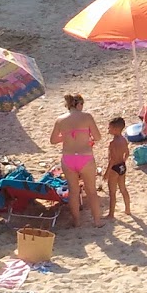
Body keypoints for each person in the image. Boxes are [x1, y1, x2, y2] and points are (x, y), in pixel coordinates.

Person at [50, 93, 101, 228]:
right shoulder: (87, 117)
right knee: (91, 191)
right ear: (78, 104)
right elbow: (98, 137)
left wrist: (66, 136)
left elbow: (53, 140)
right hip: (85, 157)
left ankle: (77, 222)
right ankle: (97, 221)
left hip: (68, 159)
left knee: (73, 192)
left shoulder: (60, 120)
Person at [105, 116, 131, 219]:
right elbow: (127, 153)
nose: (108, 130)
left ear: (115, 129)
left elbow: (111, 160)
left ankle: (111, 214)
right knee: (123, 188)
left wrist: (107, 172)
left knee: (112, 192)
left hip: (114, 168)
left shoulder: (112, 143)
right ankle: (127, 209)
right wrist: (123, 161)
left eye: (109, 128)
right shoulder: (124, 140)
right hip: (122, 166)